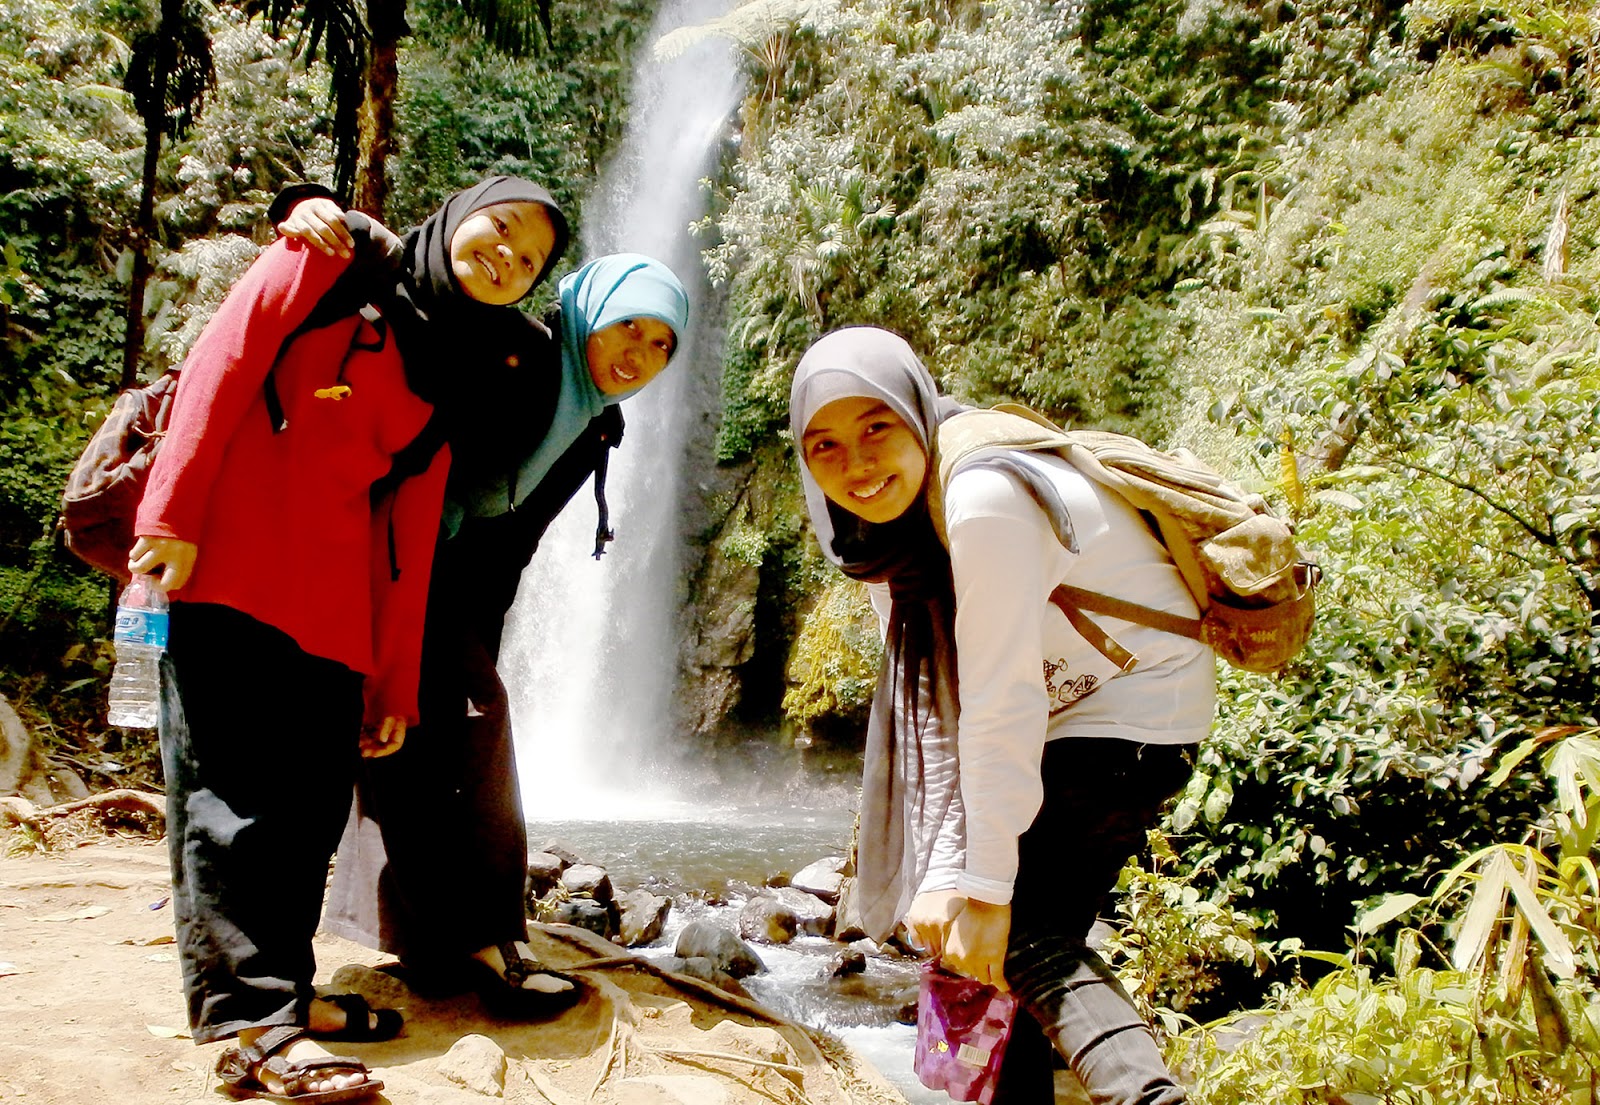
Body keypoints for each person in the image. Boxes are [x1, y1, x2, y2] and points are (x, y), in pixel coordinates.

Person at [131, 176, 568, 1102]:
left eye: (531, 260)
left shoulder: (449, 374)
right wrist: (171, 512)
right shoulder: (335, 259)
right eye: (501, 227)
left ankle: (286, 994)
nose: (509, 256)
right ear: (458, 216)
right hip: (229, 565)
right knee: (231, 805)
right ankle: (253, 1027)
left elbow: (405, 535)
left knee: (308, 812)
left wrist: (392, 684)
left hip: (332, 610)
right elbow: (225, 356)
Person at [277, 195, 691, 1016]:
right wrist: (330, 222)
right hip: (389, 553)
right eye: (627, 327)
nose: (639, 353)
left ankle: (426, 943)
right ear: (589, 311)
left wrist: (484, 624)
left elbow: (517, 534)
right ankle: (492, 940)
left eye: (659, 344)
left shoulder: (599, 421)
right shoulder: (518, 347)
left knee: (407, 740)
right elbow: (422, 305)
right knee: (471, 728)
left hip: (459, 586)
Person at [788, 327, 1215, 1105]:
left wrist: (981, 887)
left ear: (916, 412)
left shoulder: (982, 495)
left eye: (877, 427)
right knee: (988, 954)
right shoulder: (882, 543)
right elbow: (935, 708)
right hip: (1058, 711)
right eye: (826, 445)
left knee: (1012, 928)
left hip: (1135, 710)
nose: (857, 463)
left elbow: (998, 698)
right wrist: (947, 873)